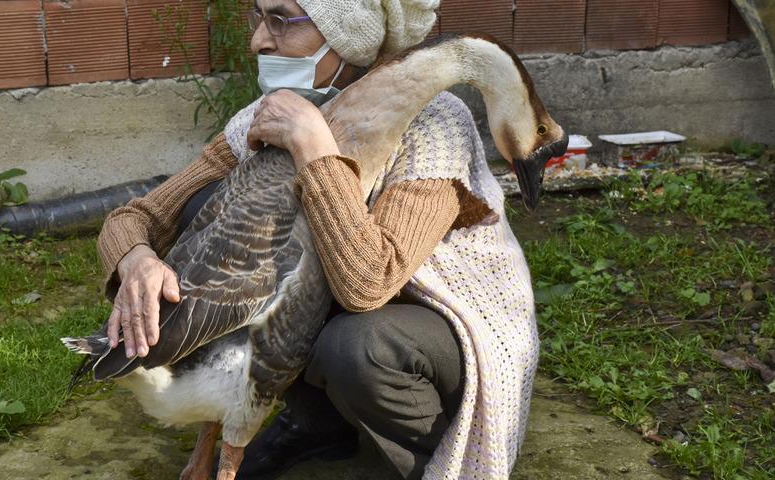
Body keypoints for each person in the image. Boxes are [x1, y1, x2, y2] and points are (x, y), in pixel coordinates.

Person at [96, 0, 540, 478]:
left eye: (282, 19)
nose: (259, 40)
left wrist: (313, 147)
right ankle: (317, 423)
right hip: (338, 318)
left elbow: (368, 283)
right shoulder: (269, 117)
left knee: (355, 346)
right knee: (205, 207)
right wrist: (137, 259)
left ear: (346, 34)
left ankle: (420, 453)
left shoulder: (434, 124)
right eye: (259, 16)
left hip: (439, 337)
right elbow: (139, 216)